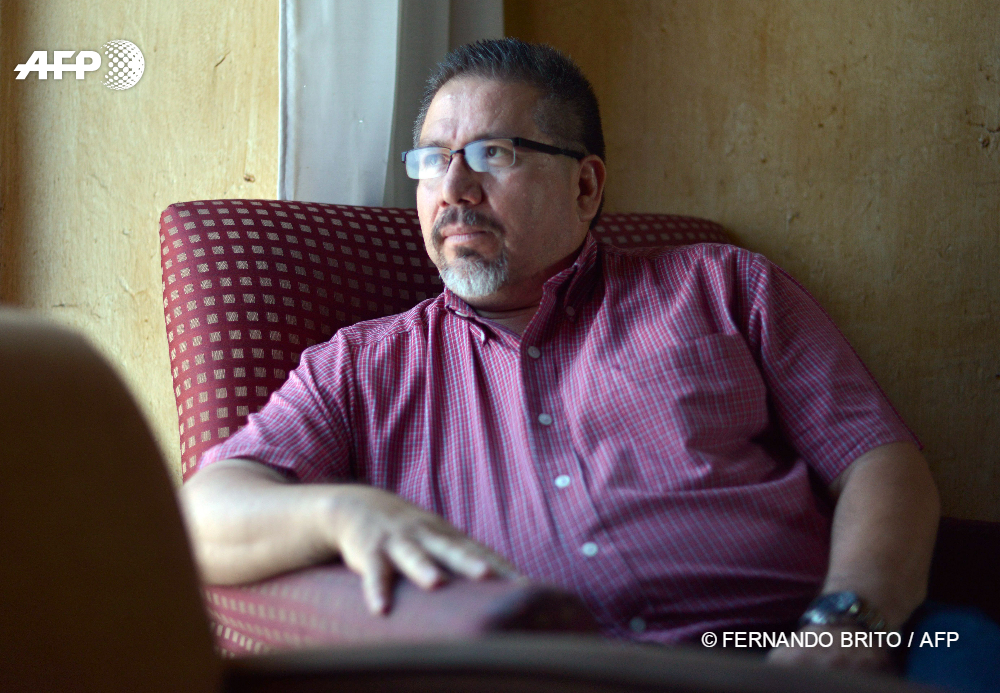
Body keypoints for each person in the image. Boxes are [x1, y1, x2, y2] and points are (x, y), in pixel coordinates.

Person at [180, 39, 941, 673]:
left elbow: (878, 461)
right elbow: (201, 515)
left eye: (492, 153)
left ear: (585, 185)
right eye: (433, 159)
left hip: (795, 653)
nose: (454, 187)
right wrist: (341, 513)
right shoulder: (359, 368)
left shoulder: (724, 286)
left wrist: (850, 626)